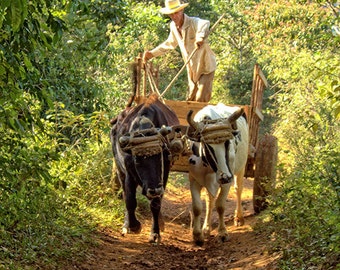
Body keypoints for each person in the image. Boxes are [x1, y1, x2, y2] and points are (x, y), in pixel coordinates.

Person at [143, 0, 216, 102]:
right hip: (192, 69)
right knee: (190, 99)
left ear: (182, 10)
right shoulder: (173, 26)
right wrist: (152, 54)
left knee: (200, 99)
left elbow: (205, 23)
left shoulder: (193, 22)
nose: (174, 16)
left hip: (205, 67)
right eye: (171, 14)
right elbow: (169, 43)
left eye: (176, 13)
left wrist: (200, 37)